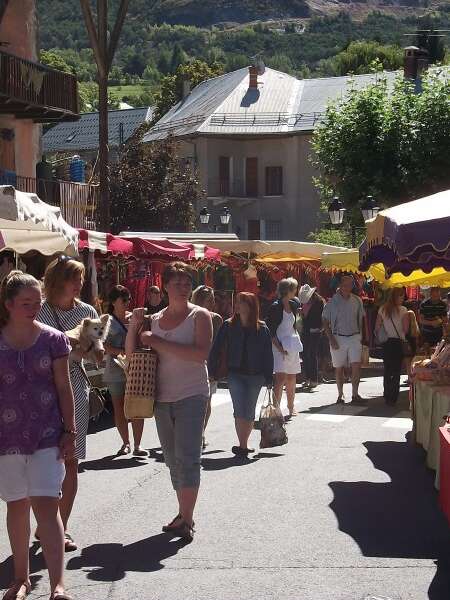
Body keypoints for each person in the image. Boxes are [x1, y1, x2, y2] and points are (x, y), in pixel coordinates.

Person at [0, 272, 75, 600]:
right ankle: (21, 579)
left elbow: (63, 386)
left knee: (47, 505)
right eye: (26, 303)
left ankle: (58, 584)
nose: (33, 307)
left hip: (47, 433)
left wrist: (70, 430)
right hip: (6, 437)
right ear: (9, 305)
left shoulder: (54, 339)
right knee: (16, 505)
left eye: (37, 301)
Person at [126, 263, 212, 542]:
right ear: (165, 287)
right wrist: (134, 328)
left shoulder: (200, 316)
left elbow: (199, 355)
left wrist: (157, 342)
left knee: (188, 458)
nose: (184, 288)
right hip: (162, 397)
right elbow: (133, 355)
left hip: (192, 394)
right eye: (178, 283)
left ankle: (186, 518)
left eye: (187, 283)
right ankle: (183, 513)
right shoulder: (155, 319)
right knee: (173, 460)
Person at [37, 256, 98, 552]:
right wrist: (72, 345)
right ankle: (45, 523)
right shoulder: (40, 310)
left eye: (81, 278)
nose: (80, 283)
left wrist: (89, 348)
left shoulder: (88, 312)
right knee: (45, 460)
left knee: (71, 460)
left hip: (76, 386)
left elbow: (98, 356)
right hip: (42, 390)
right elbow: (41, 349)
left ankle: (61, 527)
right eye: (75, 277)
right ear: (59, 279)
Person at [209, 292, 274, 456]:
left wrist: (269, 377)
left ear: (251, 306)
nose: (236, 305)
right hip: (235, 374)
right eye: (236, 302)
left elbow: (268, 354)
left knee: (249, 409)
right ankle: (242, 445)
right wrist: (211, 370)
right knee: (239, 408)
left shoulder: (262, 328)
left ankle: (244, 443)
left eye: (241, 302)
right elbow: (215, 349)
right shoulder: (228, 325)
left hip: (256, 375)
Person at [103, 285, 147, 458]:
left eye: (129, 299)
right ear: (114, 302)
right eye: (124, 300)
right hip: (115, 369)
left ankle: (138, 444)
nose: (128, 303)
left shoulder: (134, 317)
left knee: (137, 405)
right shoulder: (107, 320)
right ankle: (125, 443)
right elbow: (103, 345)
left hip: (135, 368)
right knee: (119, 408)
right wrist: (119, 351)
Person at [322, 274, 365, 405]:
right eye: (345, 285)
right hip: (338, 337)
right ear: (340, 285)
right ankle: (340, 394)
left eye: (350, 285)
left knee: (356, 365)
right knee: (339, 368)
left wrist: (361, 336)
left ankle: (355, 394)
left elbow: (361, 319)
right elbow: (324, 320)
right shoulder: (332, 302)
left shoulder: (357, 300)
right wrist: (331, 339)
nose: (348, 287)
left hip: (354, 336)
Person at [191, 285, 223, 448]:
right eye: (209, 300)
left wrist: (215, 369)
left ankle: (200, 433)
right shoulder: (190, 316)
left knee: (206, 401)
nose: (212, 303)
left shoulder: (216, 318)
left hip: (210, 365)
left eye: (212, 299)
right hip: (191, 365)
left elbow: (219, 347)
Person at [266, 278, 302, 416]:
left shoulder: (293, 304)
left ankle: (291, 407)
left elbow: (296, 325)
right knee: (280, 378)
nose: (296, 291)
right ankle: (276, 410)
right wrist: (280, 348)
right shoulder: (275, 307)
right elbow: (271, 330)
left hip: (292, 346)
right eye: (294, 288)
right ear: (288, 290)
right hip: (279, 347)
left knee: (292, 377)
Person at [375, 288, 409, 405]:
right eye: (401, 296)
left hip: (386, 343)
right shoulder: (403, 310)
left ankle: (387, 395)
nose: (403, 298)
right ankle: (393, 397)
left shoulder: (382, 309)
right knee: (396, 371)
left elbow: (377, 328)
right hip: (398, 343)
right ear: (396, 297)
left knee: (387, 369)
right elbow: (405, 329)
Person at [298, 284, 325, 389]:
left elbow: (322, 317)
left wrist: (321, 327)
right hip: (306, 330)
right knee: (304, 354)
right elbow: (305, 318)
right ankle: (307, 377)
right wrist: (302, 315)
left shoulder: (319, 302)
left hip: (316, 330)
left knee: (312, 354)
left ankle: (314, 379)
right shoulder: (304, 303)